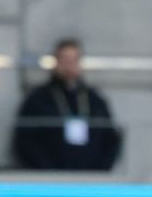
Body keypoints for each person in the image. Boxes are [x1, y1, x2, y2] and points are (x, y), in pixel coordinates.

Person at [13, 39, 124, 172]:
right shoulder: (39, 99)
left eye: (73, 60)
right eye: (65, 60)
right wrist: (47, 170)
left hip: (91, 178)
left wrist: (99, 169)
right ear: (56, 62)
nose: (69, 65)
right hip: (49, 179)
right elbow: (25, 141)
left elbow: (110, 139)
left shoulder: (95, 100)